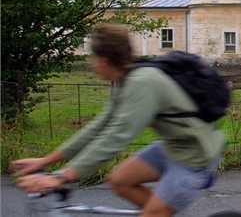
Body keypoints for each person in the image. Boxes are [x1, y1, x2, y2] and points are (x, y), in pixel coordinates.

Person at [12, 22, 226, 217]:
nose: (92, 64)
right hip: (174, 147)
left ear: (103, 60)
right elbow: (99, 126)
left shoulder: (142, 83)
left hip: (195, 158)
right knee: (120, 180)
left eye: (92, 58)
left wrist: (61, 177)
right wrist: (46, 161)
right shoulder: (128, 79)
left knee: (151, 215)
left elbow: (115, 138)